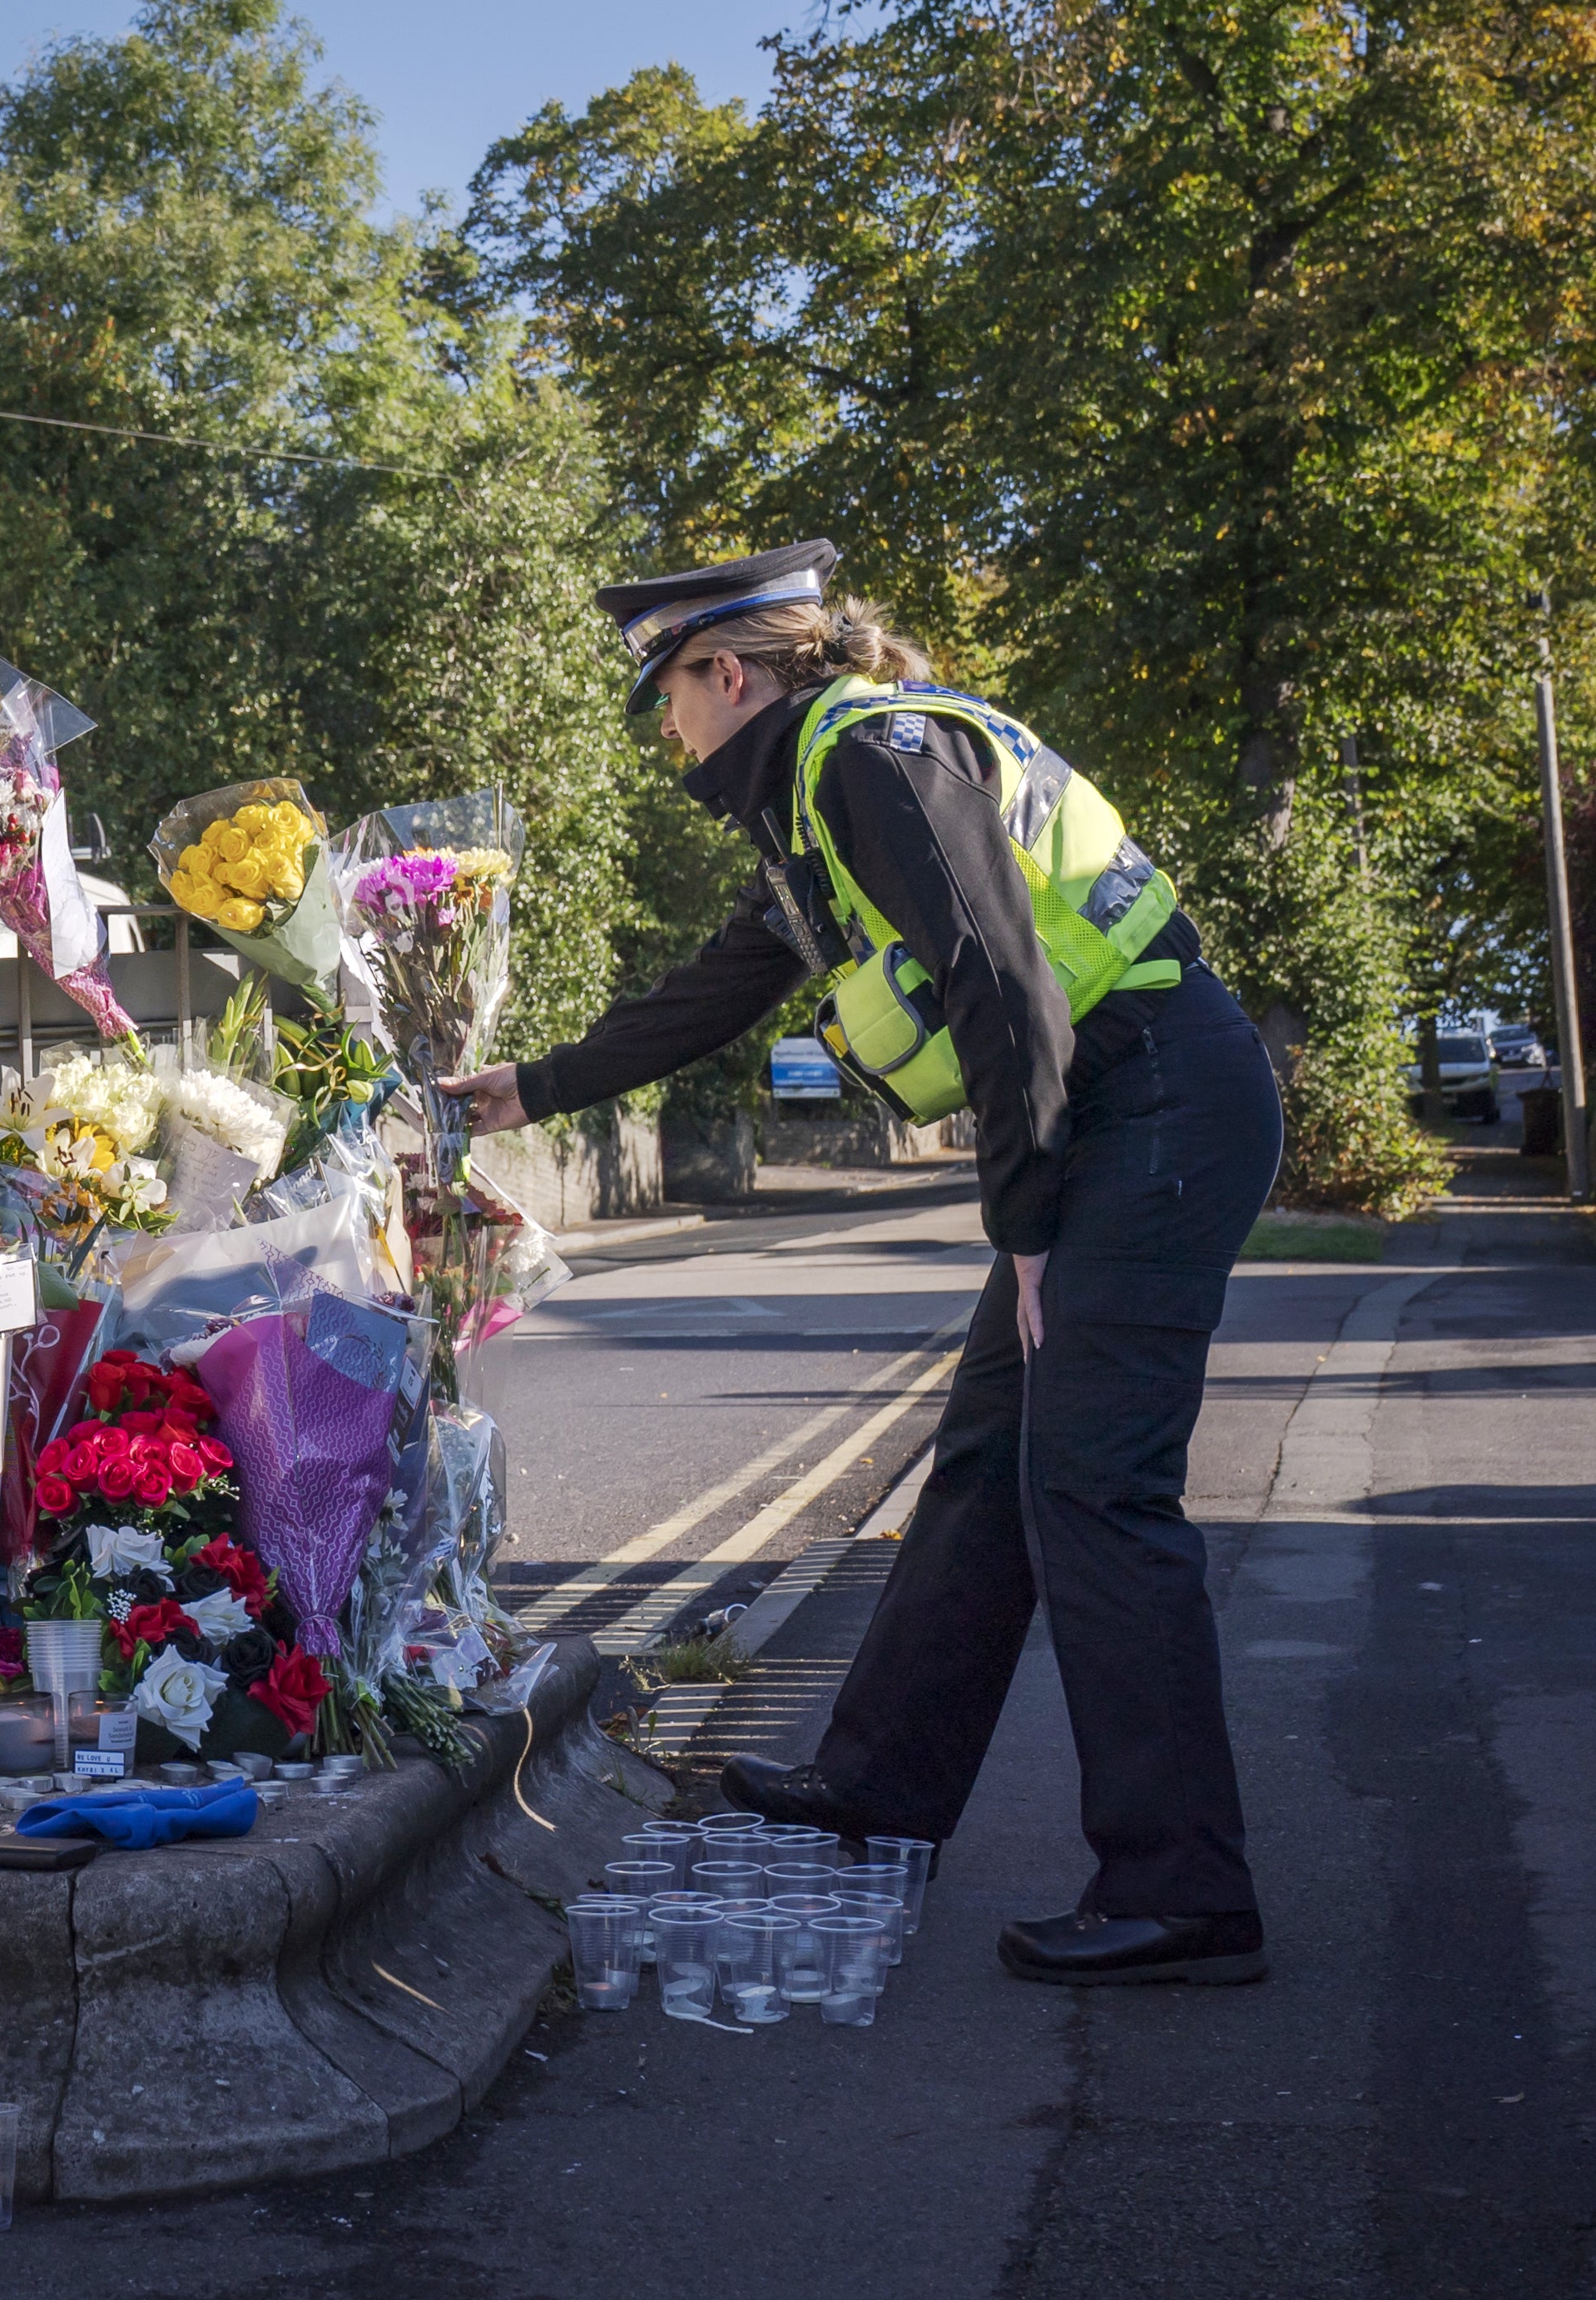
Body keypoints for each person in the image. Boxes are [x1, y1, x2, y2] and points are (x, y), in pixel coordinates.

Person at [443, 543, 1284, 1987]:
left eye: (667, 695)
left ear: (729, 672)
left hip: (1151, 1102)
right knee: (982, 1467)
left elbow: (1004, 985)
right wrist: (534, 1089)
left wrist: (1021, 1230)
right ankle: (881, 1782)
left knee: (1095, 1491)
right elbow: (723, 984)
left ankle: (1185, 1893)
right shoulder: (820, 796)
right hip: (1115, 1108)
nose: (664, 733)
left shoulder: (872, 761)